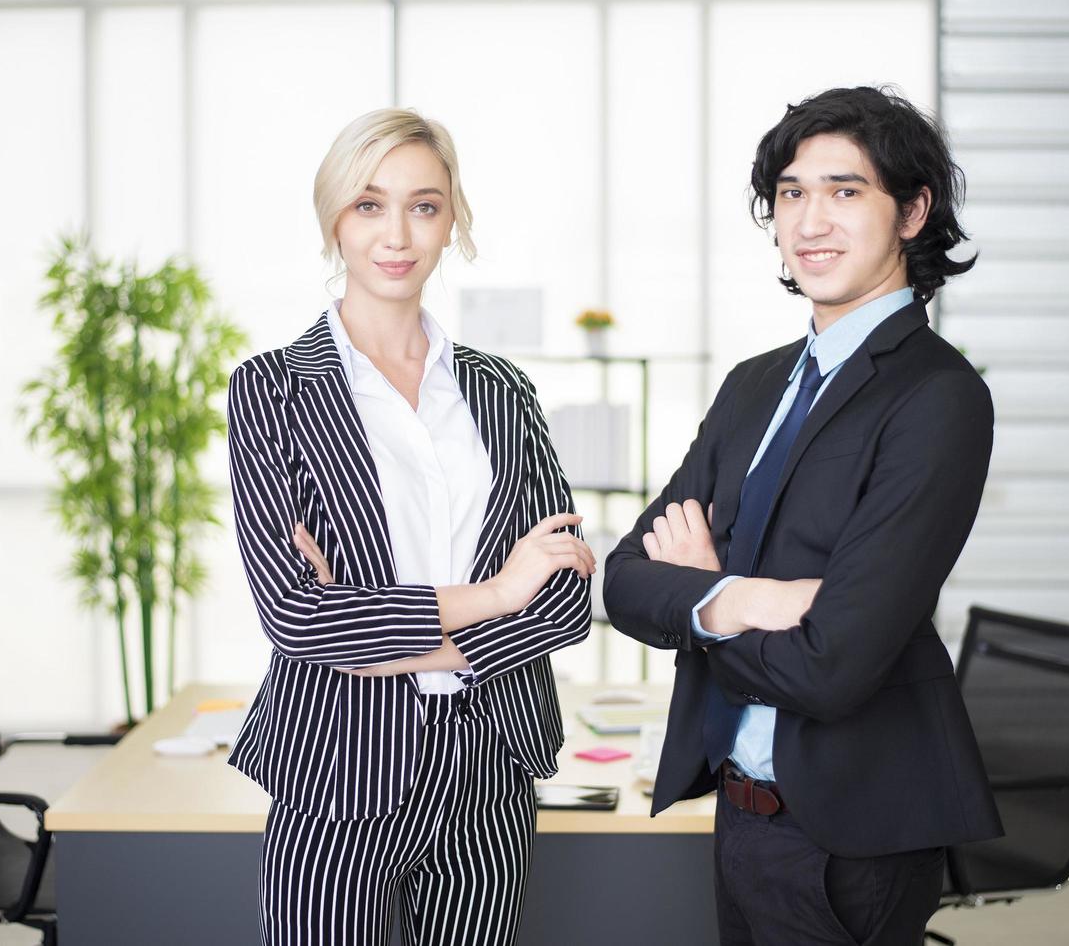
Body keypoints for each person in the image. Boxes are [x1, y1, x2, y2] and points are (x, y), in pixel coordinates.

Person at [604, 86, 1003, 946]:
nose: (811, 220)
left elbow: (834, 666)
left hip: (851, 833)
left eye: (845, 191)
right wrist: (742, 598)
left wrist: (703, 588)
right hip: (741, 814)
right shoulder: (756, 383)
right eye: (791, 194)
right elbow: (628, 580)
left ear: (913, 211)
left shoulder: (937, 397)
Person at [225, 108, 594, 946]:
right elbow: (296, 617)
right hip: (338, 774)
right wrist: (500, 593)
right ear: (333, 222)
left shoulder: (501, 391)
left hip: (488, 771)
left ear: (452, 219)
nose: (398, 234)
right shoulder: (272, 390)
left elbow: (565, 596)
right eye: (369, 205)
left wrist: (377, 636)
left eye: (424, 206)